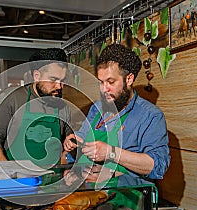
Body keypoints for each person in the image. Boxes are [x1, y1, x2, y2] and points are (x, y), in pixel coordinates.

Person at [63, 43, 170, 186]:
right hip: (90, 194)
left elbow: (157, 166)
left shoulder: (150, 116)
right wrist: (74, 143)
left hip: (128, 200)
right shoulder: (97, 108)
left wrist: (110, 152)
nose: (104, 89)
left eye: (110, 82)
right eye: (100, 82)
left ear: (129, 79)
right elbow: (82, 140)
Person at [0, 48, 72, 167]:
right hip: (18, 178)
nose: (59, 86)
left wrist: (69, 148)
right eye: (53, 80)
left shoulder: (62, 106)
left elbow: (69, 142)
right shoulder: (12, 99)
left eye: (62, 80)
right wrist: (7, 170)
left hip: (52, 179)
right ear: (37, 76)